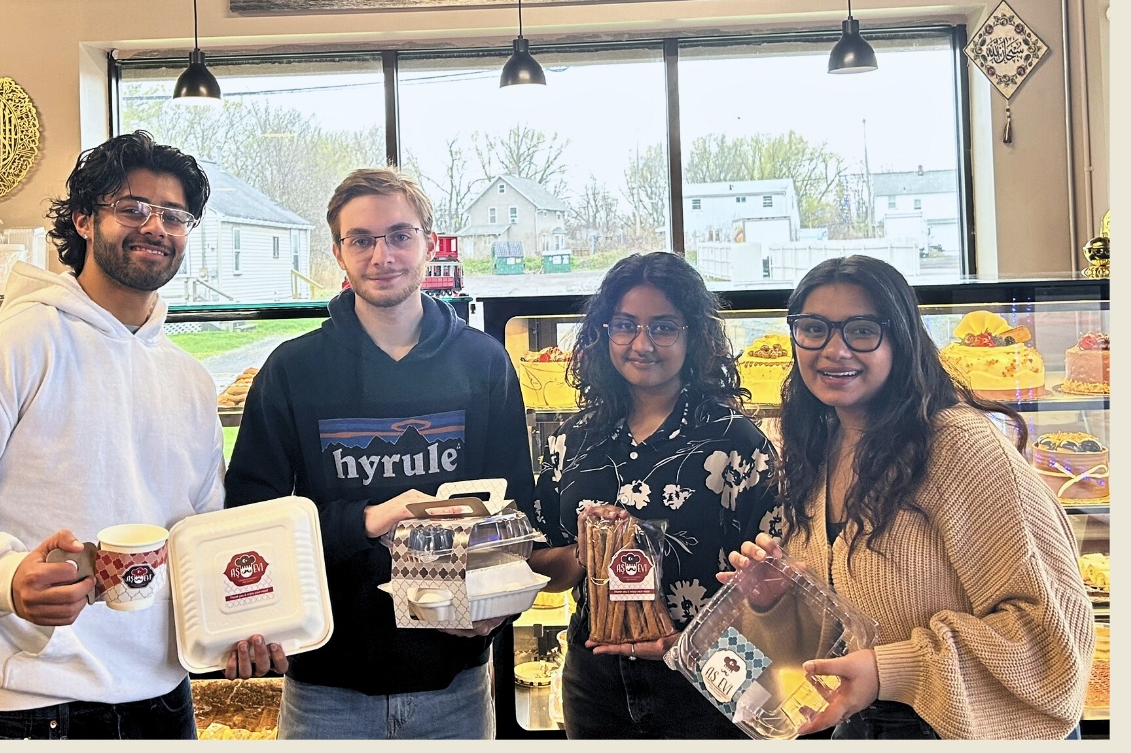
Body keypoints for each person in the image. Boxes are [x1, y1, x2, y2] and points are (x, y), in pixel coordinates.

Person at [0, 131, 283, 741]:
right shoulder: (6, 350)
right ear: (84, 220)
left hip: (166, 702)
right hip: (30, 708)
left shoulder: (189, 378)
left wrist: (238, 622)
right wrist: (4, 577)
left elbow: (198, 536)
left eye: (174, 215)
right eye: (132, 208)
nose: (155, 227)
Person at [723, 254, 1094, 740]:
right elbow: (838, 639)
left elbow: (1053, 638)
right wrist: (777, 601)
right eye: (814, 328)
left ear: (901, 339)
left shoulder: (960, 448)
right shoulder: (821, 446)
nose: (834, 350)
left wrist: (892, 670)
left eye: (861, 330)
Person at [225, 167, 534, 740]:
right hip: (324, 687)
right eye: (360, 239)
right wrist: (369, 519)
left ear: (428, 243)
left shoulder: (484, 363)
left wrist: (500, 608)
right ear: (339, 253)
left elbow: (517, 505)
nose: (381, 255)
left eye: (399, 235)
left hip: (454, 684)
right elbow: (250, 517)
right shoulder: (292, 370)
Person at [528, 251, 782, 740]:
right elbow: (541, 569)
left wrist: (700, 647)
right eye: (625, 325)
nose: (641, 343)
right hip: (595, 675)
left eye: (663, 327)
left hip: (710, 672)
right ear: (604, 334)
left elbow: (780, 581)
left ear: (694, 337)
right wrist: (590, 549)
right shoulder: (572, 440)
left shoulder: (736, 442)